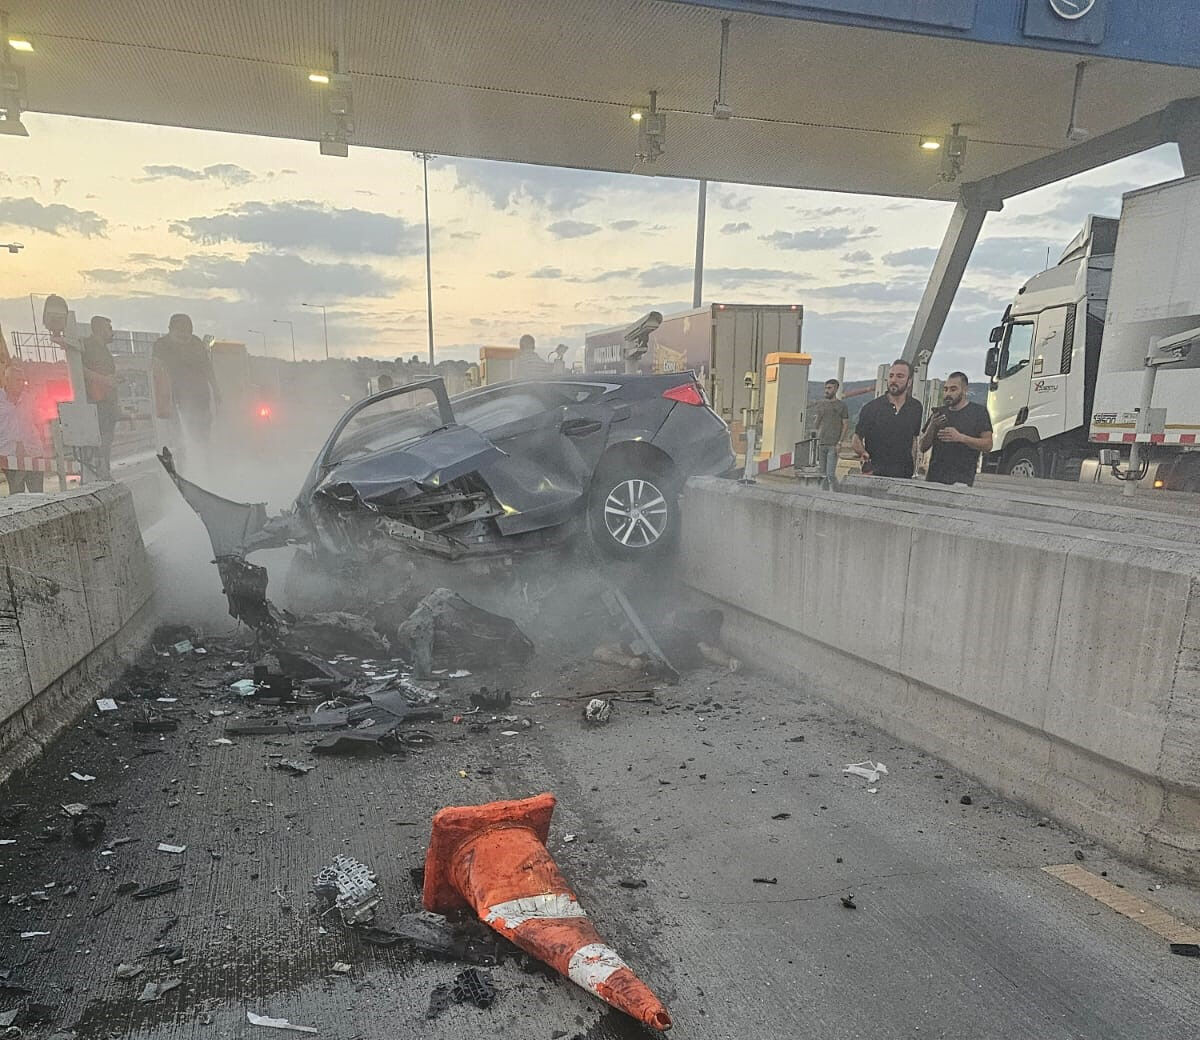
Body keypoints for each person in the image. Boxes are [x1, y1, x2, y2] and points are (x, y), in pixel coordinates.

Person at [152, 313, 220, 453]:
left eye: (187, 331)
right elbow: (157, 371)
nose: (184, 335)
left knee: (202, 434)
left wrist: (216, 390)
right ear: (171, 329)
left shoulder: (196, 343)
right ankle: (184, 464)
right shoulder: (161, 345)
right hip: (175, 397)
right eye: (180, 331)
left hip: (200, 396)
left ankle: (204, 460)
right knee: (179, 436)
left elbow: (208, 368)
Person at [852, 359, 923, 478]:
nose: (894, 380)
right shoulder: (872, 408)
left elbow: (913, 440)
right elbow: (856, 439)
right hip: (876, 473)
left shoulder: (916, 407)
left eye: (900, 376)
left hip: (904, 475)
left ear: (909, 382)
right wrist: (863, 452)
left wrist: (913, 470)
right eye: (891, 376)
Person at [920, 371, 993, 486]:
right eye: (945, 389)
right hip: (934, 479)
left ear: (964, 390)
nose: (948, 393)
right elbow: (922, 447)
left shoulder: (978, 412)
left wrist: (961, 438)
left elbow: (988, 445)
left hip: (962, 480)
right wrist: (932, 426)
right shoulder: (939, 413)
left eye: (953, 389)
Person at [0, 363, 47, 493]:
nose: (21, 383)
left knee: (37, 494)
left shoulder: (29, 399)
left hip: (33, 452)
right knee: (17, 495)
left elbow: (39, 422)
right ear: (7, 380)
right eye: (17, 380)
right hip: (9, 454)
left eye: (22, 380)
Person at [81, 315, 119, 479]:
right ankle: (100, 471)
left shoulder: (104, 350)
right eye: (108, 328)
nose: (112, 332)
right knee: (102, 437)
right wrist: (103, 380)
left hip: (108, 400)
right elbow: (80, 368)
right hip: (97, 401)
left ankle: (105, 470)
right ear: (99, 329)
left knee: (107, 437)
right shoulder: (88, 346)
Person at [811, 378, 849, 490]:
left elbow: (845, 424)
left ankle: (838, 493)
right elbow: (816, 424)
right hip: (822, 442)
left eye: (829, 388)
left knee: (830, 474)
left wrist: (840, 442)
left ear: (836, 389)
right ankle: (824, 496)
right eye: (825, 388)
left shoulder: (841, 405)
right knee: (822, 475)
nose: (826, 391)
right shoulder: (821, 405)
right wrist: (817, 416)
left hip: (833, 444)